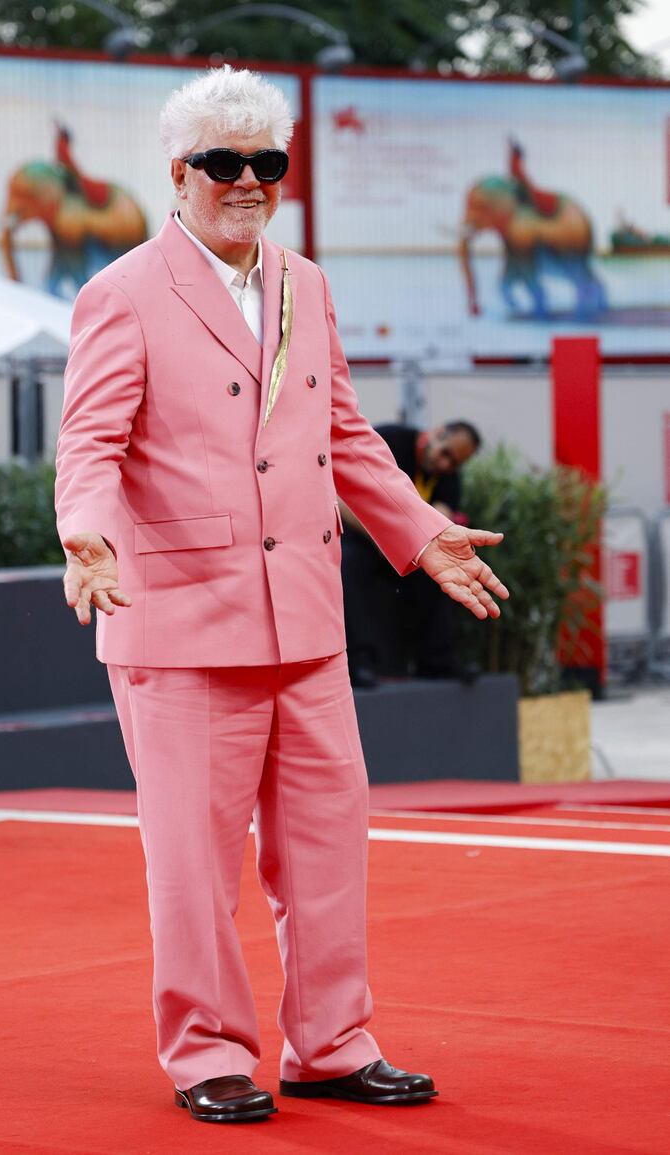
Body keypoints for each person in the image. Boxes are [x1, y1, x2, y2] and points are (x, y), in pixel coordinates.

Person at [55, 66, 508, 1125]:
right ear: (179, 173)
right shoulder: (120, 291)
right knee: (194, 868)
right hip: (178, 623)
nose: (249, 181)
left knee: (326, 849)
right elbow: (88, 443)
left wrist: (419, 533)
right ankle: (207, 1052)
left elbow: (343, 432)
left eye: (268, 162)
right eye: (225, 163)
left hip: (304, 619)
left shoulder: (306, 281)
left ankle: (332, 1043)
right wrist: (85, 534)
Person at [340, 422, 481, 687]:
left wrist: (406, 545)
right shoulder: (388, 441)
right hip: (362, 536)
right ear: (437, 433)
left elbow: (440, 520)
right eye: (446, 454)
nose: (445, 465)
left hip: (405, 547)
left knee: (440, 569)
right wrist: (382, 539)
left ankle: (438, 661)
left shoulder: (448, 477)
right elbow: (341, 497)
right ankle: (359, 664)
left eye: (454, 463)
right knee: (349, 564)